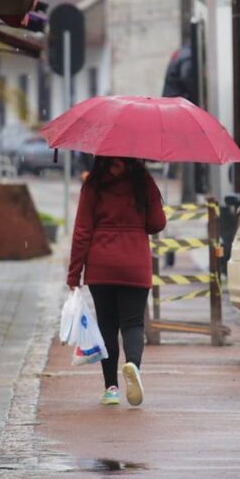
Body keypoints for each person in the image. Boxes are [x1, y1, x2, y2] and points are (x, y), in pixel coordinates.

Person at [68, 156, 166, 406]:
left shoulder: (94, 184)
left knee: (107, 326)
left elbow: (82, 231)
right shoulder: (143, 182)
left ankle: (111, 388)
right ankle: (132, 364)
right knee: (133, 324)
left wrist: (74, 274)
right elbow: (157, 223)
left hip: (101, 266)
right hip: (134, 264)